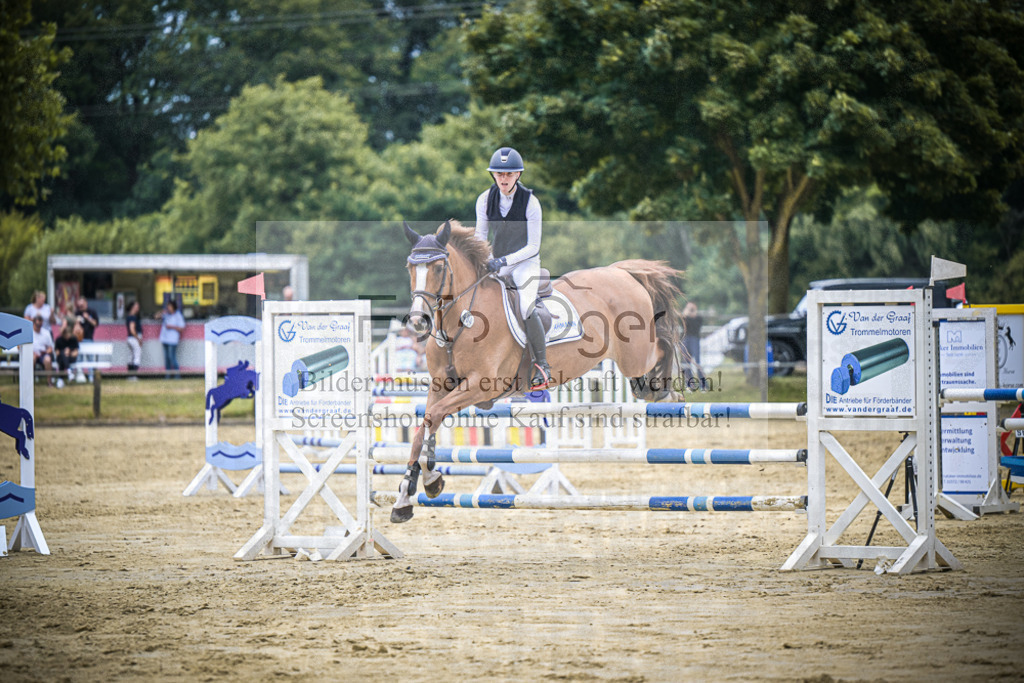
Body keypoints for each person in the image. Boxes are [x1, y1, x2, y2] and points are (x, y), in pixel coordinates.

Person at [474, 146, 550, 389]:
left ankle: (541, 364)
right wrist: (482, 260)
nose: (503, 179)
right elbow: (479, 237)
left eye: (508, 174)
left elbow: (534, 246)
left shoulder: (531, 202)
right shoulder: (485, 199)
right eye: (499, 174)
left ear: (518, 175)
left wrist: (503, 261)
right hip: (496, 262)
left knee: (526, 305)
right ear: (493, 175)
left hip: (525, 264)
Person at [157, 299, 186, 379]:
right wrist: (162, 312)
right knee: (167, 359)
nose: (168, 308)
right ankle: (168, 375)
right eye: (167, 307)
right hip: (164, 339)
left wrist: (171, 327)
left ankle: (177, 375)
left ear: (174, 307)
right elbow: (156, 317)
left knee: (171, 357)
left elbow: (181, 328)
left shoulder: (178, 315)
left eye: (169, 307)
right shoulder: (166, 315)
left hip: (172, 340)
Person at [31, 315, 58, 387]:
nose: (38, 326)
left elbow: (50, 348)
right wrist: (33, 353)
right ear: (33, 323)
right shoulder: (29, 332)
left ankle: (49, 382)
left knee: (48, 359)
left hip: (43, 354)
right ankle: (29, 382)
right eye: (37, 325)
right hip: (32, 354)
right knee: (32, 358)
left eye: (40, 325)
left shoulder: (46, 333)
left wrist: (46, 352)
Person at [125, 300, 143, 380]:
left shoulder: (129, 316)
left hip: (130, 338)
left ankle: (130, 375)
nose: (138, 308)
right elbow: (132, 329)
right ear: (132, 307)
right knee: (137, 356)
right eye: (136, 306)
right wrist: (138, 338)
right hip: (134, 338)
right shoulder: (133, 317)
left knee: (130, 356)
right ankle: (134, 375)